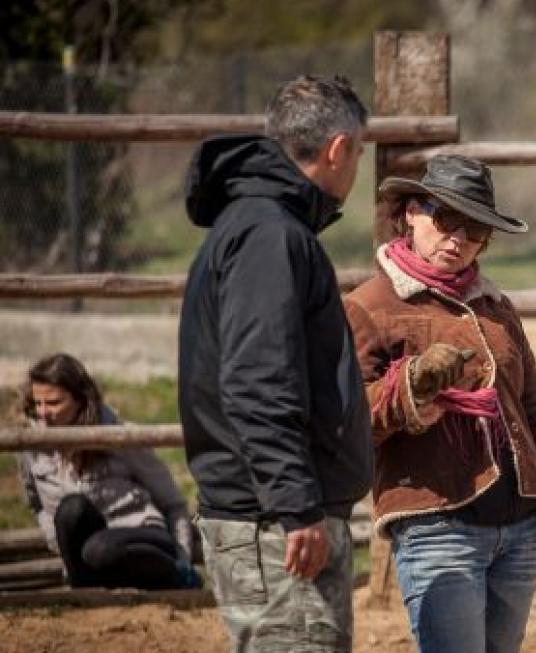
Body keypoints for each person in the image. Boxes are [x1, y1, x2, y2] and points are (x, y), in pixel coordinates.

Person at [343, 154, 536, 653]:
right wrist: (410, 387)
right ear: (410, 214)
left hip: (520, 528)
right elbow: (348, 424)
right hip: (436, 525)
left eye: (476, 230)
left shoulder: (497, 310)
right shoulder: (368, 307)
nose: (457, 239)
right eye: (445, 220)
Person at [178, 75, 373, 653]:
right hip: (274, 526)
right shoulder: (270, 235)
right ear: (338, 149)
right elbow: (258, 380)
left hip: (271, 515)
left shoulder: (260, 225)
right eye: (358, 152)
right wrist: (295, 506)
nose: (356, 167)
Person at [16, 353, 198, 590]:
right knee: (72, 509)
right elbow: (37, 505)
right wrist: (56, 540)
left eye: (53, 403)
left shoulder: (120, 437)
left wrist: (183, 559)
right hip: (87, 559)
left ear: (80, 400)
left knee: (99, 549)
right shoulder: (31, 447)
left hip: (141, 536)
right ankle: (84, 596)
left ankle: (173, 578)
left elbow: (173, 504)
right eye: (37, 403)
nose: (43, 413)